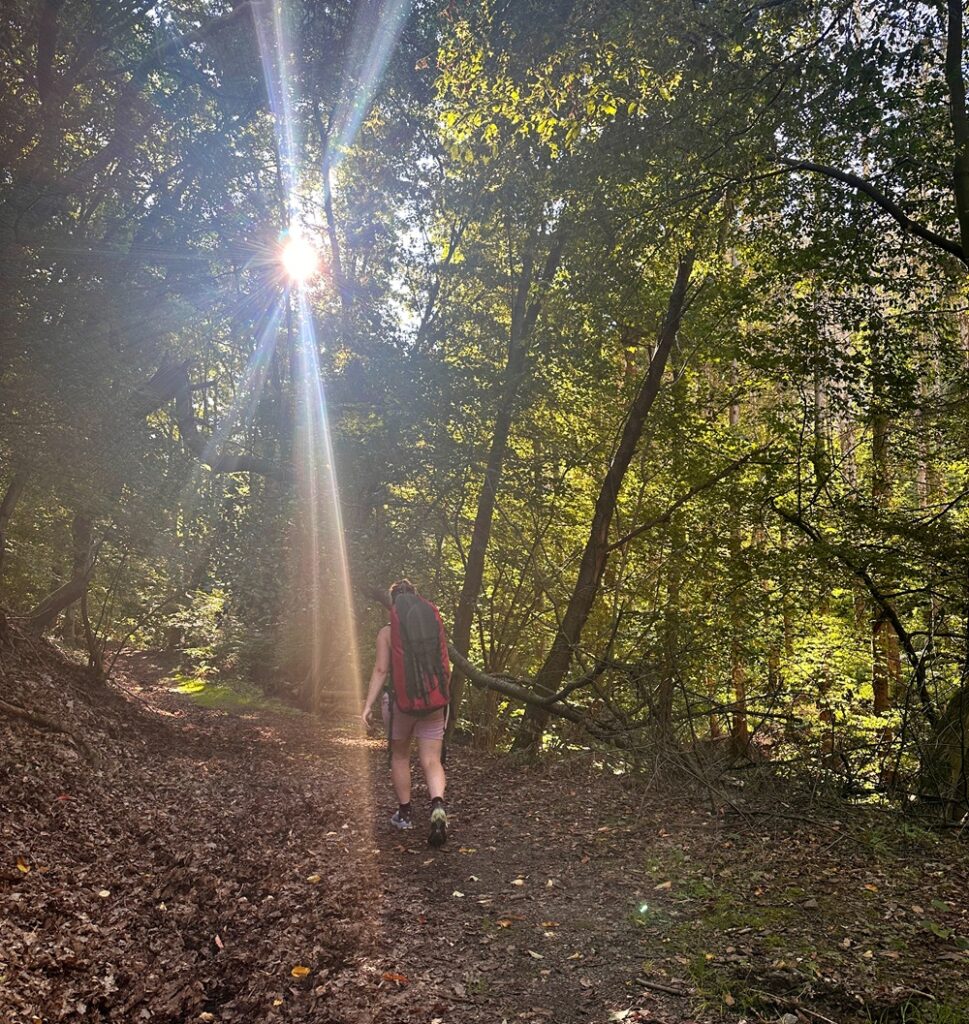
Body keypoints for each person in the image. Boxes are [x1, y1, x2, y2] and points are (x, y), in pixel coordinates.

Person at [362, 580, 449, 846]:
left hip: (400, 705)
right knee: (432, 760)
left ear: (394, 603)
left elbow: (380, 671)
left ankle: (405, 814)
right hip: (435, 703)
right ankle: (437, 806)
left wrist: (366, 706)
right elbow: (446, 666)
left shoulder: (387, 633)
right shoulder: (434, 628)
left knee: (400, 756)